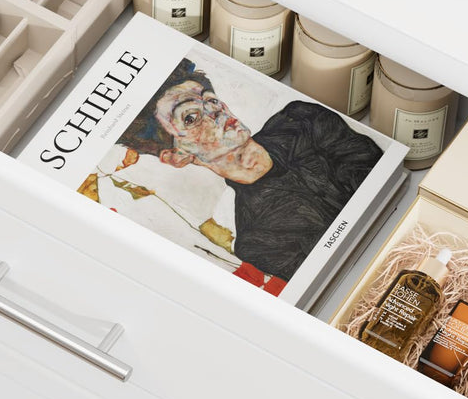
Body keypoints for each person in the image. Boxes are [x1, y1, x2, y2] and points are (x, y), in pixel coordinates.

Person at [118, 58, 383, 281]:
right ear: (177, 156)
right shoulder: (257, 239)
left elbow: (375, 175)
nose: (216, 112)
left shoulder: (303, 120)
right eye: (191, 117)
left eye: (211, 100)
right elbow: (346, 271)